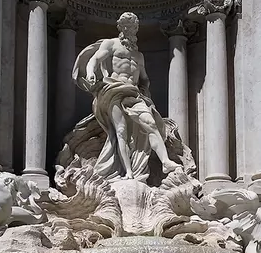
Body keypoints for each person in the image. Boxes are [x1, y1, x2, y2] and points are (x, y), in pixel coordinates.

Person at [72, 12, 180, 181]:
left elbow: (143, 78)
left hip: (134, 94)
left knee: (151, 123)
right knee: (121, 131)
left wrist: (145, 88)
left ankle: (165, 162)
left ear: (136, 29)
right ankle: (128, 172)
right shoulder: (111, 44)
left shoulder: (139, 55)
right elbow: (95, 59)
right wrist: (91, 72)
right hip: (113, 89)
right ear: (120, 27)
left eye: (132, 26)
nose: (129, 29)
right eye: (126, 26)